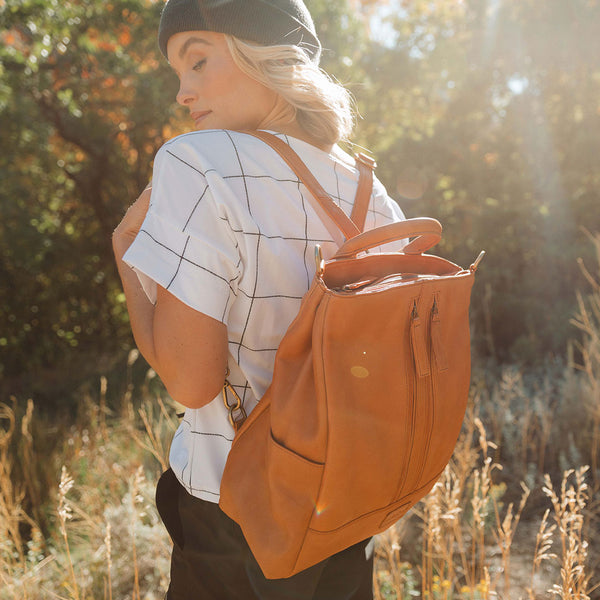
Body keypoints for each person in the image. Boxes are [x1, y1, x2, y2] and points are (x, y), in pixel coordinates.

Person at [112, 0, 405, 597]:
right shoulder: (374, 197)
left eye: (197, 62)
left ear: (264, 55)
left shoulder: (197, 163)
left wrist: (125, 253)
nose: (183, 93)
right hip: (349, 511)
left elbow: (190, 385)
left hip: (237, 522)